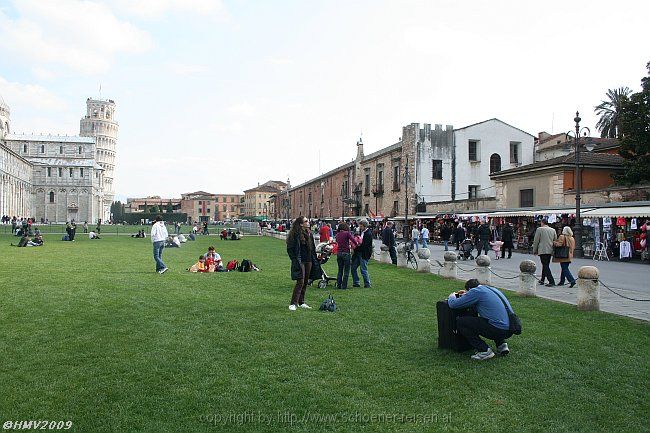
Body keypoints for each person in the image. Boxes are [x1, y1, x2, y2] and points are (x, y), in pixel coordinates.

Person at [447, 279, 515, 360]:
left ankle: (484, 350)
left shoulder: (476, 291)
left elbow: (453, 304)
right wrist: (467, 294)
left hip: (498, 330)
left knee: (462, 322)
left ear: (469, 289)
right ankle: (502, 345)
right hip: (510, 328)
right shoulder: (492, 289)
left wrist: (453, 295)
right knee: (494, 319)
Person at [286, 216, 319, 311]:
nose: (308, 222)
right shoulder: (295, 234)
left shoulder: (309, 233)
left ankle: (301, 302)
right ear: (301, 224)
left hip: (308, 260)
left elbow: (312, 248)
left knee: (305, 282)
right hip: (300, 260)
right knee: (300, 281)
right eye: (306, 221)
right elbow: (290, 249)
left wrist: (314, 259)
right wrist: (294, 259)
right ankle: (293, 303)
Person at [533, 219, 557, 287]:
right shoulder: (553, 230)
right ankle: (542, 279)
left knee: (545, 265)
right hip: (550, 249)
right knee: (545, 264)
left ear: (542, 223)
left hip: (542, 249)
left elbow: (536, 240)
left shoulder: (539, 229)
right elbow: (555, 240)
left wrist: (535, 250)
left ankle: (551, 281)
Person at [334, 222, 358, 289]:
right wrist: (356, 244)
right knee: (346, 270)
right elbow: (353, 240)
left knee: (340, 270)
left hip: (339, 253)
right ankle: (344, 286)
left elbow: (337, 242)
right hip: (346, 252)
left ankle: (338, 285)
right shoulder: (347, 233)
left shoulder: (338, 234)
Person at [351, 218, 373, 288]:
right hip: (358, 253)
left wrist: (356, 248)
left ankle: (367, 284)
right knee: (353, 268)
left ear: (364, 226)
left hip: (364, 253)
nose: (359, 227)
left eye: (361, 226)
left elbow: (364, 246)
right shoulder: (362, 232)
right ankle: (356, 282)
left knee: (363, 269)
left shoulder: (368, 234)